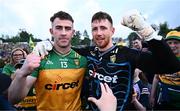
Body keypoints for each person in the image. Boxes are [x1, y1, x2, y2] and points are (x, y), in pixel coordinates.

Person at [16, 10, 180, 111]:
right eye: (95, 29)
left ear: (113, 30)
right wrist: (47, 43)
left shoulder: (128, 54)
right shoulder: (88, 52)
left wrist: (148, 32)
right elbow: (63, 47)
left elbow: (171, 66)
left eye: (103, 28)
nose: (99, 33)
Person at [8, 11, 87, 110]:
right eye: (58, 28)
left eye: (67, 28)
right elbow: (13, 99)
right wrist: (22, 73)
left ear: (73, 32)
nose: (63, 33)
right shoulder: (39, 58)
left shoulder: (83, 60)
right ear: (51, 31)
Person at [150, 31, 180, 110]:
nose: (172, 45)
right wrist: (152, 96)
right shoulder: (161, 58)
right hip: (163, 98)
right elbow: (156, 77)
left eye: (176, 42)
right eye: (169, 43)